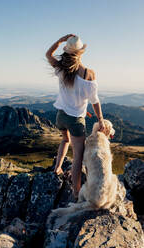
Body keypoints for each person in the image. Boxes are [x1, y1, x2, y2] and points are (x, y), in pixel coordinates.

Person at [46, 34, 105, 198]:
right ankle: (76, 192)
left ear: (67, 50)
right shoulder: (88, 73)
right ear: (81, 53)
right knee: (78, 156)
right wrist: (100, 119)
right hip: (76, 120)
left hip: (61, 116)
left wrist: (59, 40)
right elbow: (94, 100)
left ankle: (57, 167)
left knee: (65, 140)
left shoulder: (61, 69)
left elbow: (48, 55)